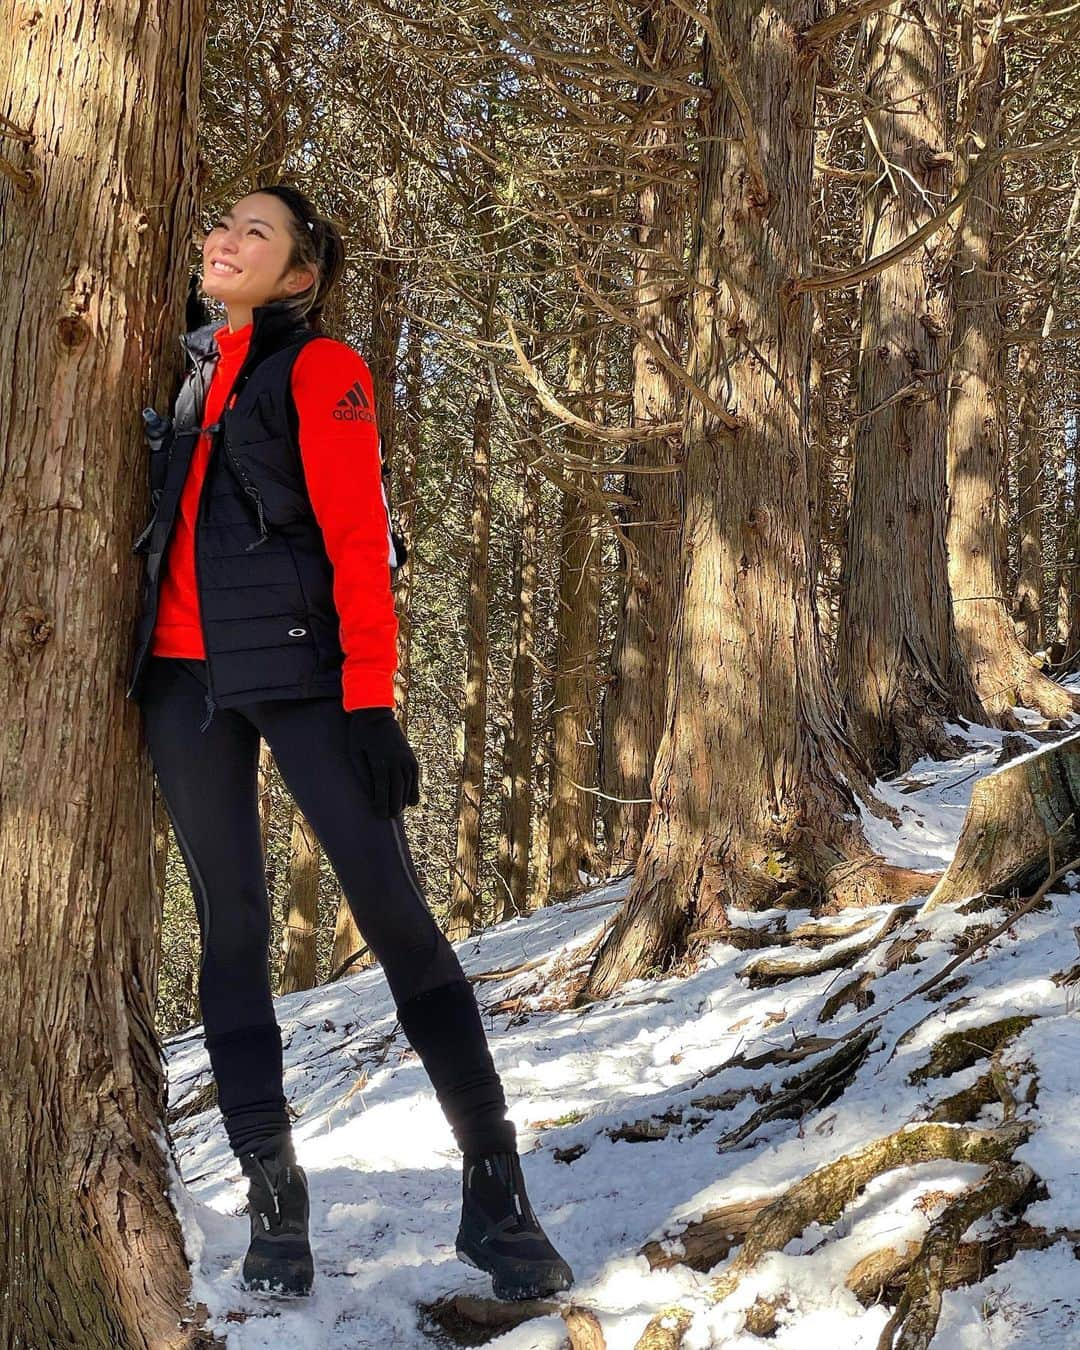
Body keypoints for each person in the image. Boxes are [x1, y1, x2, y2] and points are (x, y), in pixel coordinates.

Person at [126, 183, 573, 1303]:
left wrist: (371, 700)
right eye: (220, 224)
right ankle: (276, 1208)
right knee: (232, 929)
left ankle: (497, 1194)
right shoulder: (186, 373)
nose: (224, 239)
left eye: (256, 233)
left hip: (309, 678)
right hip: (183, 685)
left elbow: (361, 537)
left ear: (301, 277)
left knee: (396, 917)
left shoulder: (322, 371)